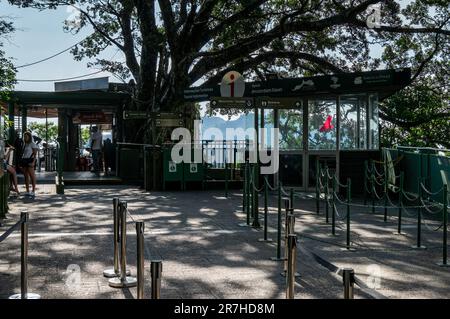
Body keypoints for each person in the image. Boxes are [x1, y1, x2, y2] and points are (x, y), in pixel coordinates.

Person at [19, 131, 38, 198]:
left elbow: (35, 154)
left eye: (26, 136)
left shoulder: (32, 144)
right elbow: (23, 154)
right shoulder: (24, 144)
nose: (25, 137)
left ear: (29, 137)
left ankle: (33, 191)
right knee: (26, 176)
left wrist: (33, 162)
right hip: (24, 160)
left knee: (32, 176)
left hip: (30, 160)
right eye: (24, 136)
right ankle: (27, 191)